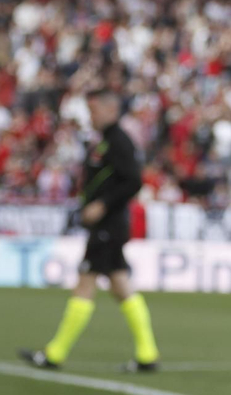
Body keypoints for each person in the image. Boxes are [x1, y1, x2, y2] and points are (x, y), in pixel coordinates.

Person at [19, 89, 160, 373]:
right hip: (109, 225)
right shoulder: (105, 141)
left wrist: (102, 205)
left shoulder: (119, 141)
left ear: (111, 110)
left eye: (94, 110)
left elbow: (133, 181)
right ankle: (147, 354)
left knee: (85, 283)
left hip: (110, 225)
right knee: (121, 286)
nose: (91, 116)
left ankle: (54, 354)